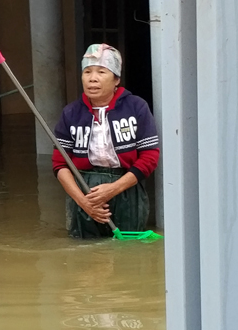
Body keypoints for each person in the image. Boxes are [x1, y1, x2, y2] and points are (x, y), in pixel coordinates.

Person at [53, 43, 159, 238]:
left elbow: (150, 157)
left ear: (116, 78)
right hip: (85, 190)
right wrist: (83, 202)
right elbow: (60, 164)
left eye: (101, 72)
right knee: (85, 256)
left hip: (126, 189)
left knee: (128, 256)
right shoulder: (71, 113)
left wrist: (113, 189)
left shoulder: (136, 107)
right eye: (87, 72)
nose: (93, 78)